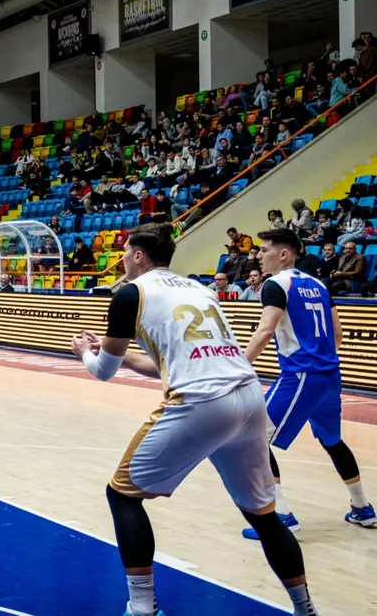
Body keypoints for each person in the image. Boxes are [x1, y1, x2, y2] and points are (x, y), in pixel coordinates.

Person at [68, 223, 316, 616]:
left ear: (138, 255)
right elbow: (171, 362)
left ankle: (142, 608)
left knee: (122, 495)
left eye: (125, 251)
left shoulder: (131, 293)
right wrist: (120, 354)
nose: (120, 260)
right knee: (265, 517)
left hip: (202, 401)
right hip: (249, 397)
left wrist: (84, 351)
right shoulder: (199, 289)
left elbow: (103, 371)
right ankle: (306, 610)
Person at [241, 228, 375, 540]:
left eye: (264, 250)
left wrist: (236, 366)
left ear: (284, 254)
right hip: (330, 375)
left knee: (252, 437)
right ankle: (362, 507)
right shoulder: (319, 283)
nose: (258, 256)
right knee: (332, 441)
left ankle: (281, 516)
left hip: (301, 375)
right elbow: (337, 334)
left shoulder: (275, 284)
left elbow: (264, 331)